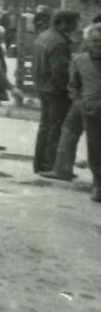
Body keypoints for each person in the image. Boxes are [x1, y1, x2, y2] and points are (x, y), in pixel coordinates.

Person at [32, 9, 80, 175]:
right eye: (74, 22)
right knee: (56, 128)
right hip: (56, 91)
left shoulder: (44, 36)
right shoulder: (59, 42)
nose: (76, 26)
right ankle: (51, 164)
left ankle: (40, 164)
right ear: (64, 22)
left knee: (45, 126)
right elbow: (60, 71)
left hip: (43, 87)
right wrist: (68, 90)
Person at [60, 24, 101, 202]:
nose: (98, 45)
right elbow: (73, 85)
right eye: (94, 41)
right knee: (95, 149)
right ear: (88, 42)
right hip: (91, 112)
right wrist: (79, 101)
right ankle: (98, 185)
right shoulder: (79, 60)